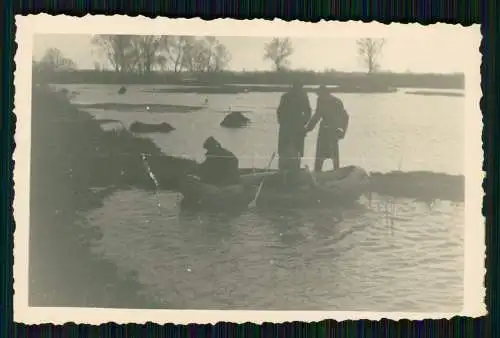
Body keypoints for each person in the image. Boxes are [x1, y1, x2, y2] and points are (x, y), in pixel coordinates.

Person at [306, 85, 349, 172]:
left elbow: (345, 117)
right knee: (324, 155)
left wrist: (343, 131)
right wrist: (307, 129)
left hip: (331, 130)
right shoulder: (324, 100)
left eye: (319, 94)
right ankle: (320, 172)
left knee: (331, 155)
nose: (318, 96)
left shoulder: (334, 101)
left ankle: (334, 172)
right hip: (328, 130)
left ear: (324, 93)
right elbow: (317, 116)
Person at [276, 81, 312, 172]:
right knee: (295, 152)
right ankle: (293, 172)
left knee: (285, 151)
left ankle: (283, 172)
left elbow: (279, 112)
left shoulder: (285, 96)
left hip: (287, 127)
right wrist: (304, 123)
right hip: (295, 127)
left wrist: (282, 122)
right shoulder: (303, 97)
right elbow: (308, 112)